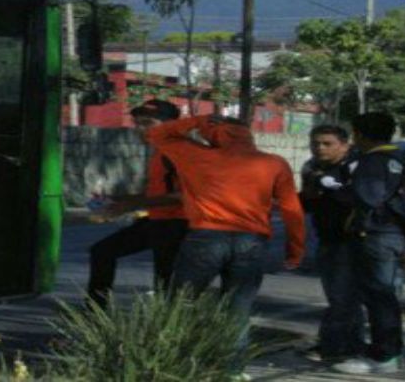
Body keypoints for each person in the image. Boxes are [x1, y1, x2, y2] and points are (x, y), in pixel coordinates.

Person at [144, 114, 306, 374]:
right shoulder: (274, 163)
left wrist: (199, 119)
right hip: (252, 242)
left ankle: (171, 366)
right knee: (238, 311)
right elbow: (291, 209)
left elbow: (157, 134)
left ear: (213, 134)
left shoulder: (196, 155)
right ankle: (233, 372)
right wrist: (295, 250)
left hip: (205, 239)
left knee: (179, 306)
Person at [85, 100, 187, 308]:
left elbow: (185, 195)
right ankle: (95, 315)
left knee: (166, 282)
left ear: (171, 125)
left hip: (178, 224)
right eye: (137, 123)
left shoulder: (180, 152)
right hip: (159, 221)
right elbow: (159, 192)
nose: (140, 129)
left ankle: (172, 330)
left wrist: (129, 206)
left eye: (148, 123)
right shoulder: (160, 152)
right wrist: (120, 199)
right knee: (102, 252)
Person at [332, 112, 405, 374]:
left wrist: (342, 192)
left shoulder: (373, 162)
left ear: (360, 134)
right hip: (395, 234)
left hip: (375, 235)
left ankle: (383, 356)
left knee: (378, 296)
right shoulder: (400, 157)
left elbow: (370, 197)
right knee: (386, 296)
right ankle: (392, 352)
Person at [298, 125, 365, 363]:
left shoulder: (357, 166)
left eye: (327, 143)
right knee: (341, 297)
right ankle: (348, 343)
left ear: (344, 144)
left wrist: (331, 189)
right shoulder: (312, 168)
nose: (319, 148)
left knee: (343, 297)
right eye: (315, 143)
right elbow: (307, 204)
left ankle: (334, 345)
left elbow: (361, 200)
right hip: (329, 238)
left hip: (357, 240)